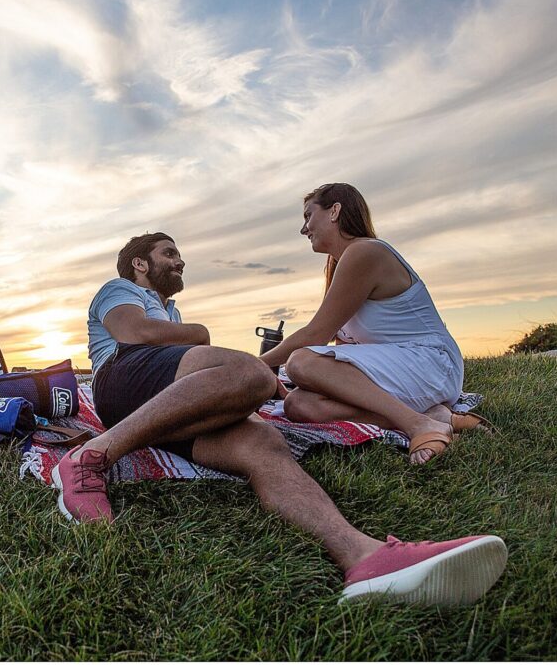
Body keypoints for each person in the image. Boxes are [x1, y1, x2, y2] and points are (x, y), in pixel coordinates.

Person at [50, 231, 508, 605]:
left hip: (157, 404)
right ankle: (90, 456)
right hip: (120, 377)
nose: (180, 261)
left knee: (264, 443)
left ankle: (364, 557)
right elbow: (137, 334)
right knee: (248, 370)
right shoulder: (121, 290)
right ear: (140, 264)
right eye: (169, 253)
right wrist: (203, 337)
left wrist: (215, 383)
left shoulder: (172, 308)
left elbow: (174, 353)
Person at [259, 183, 485, 465]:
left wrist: (255, 366)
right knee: (298, 404)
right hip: (401, 370)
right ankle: (433, 416)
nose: (304, 229)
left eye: (308, 216)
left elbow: (317, 334)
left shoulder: (365, 252)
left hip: (432, 363)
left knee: (301, 363)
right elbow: (342, 348)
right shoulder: (339, 263)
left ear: (334, 211)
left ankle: (418, 425)